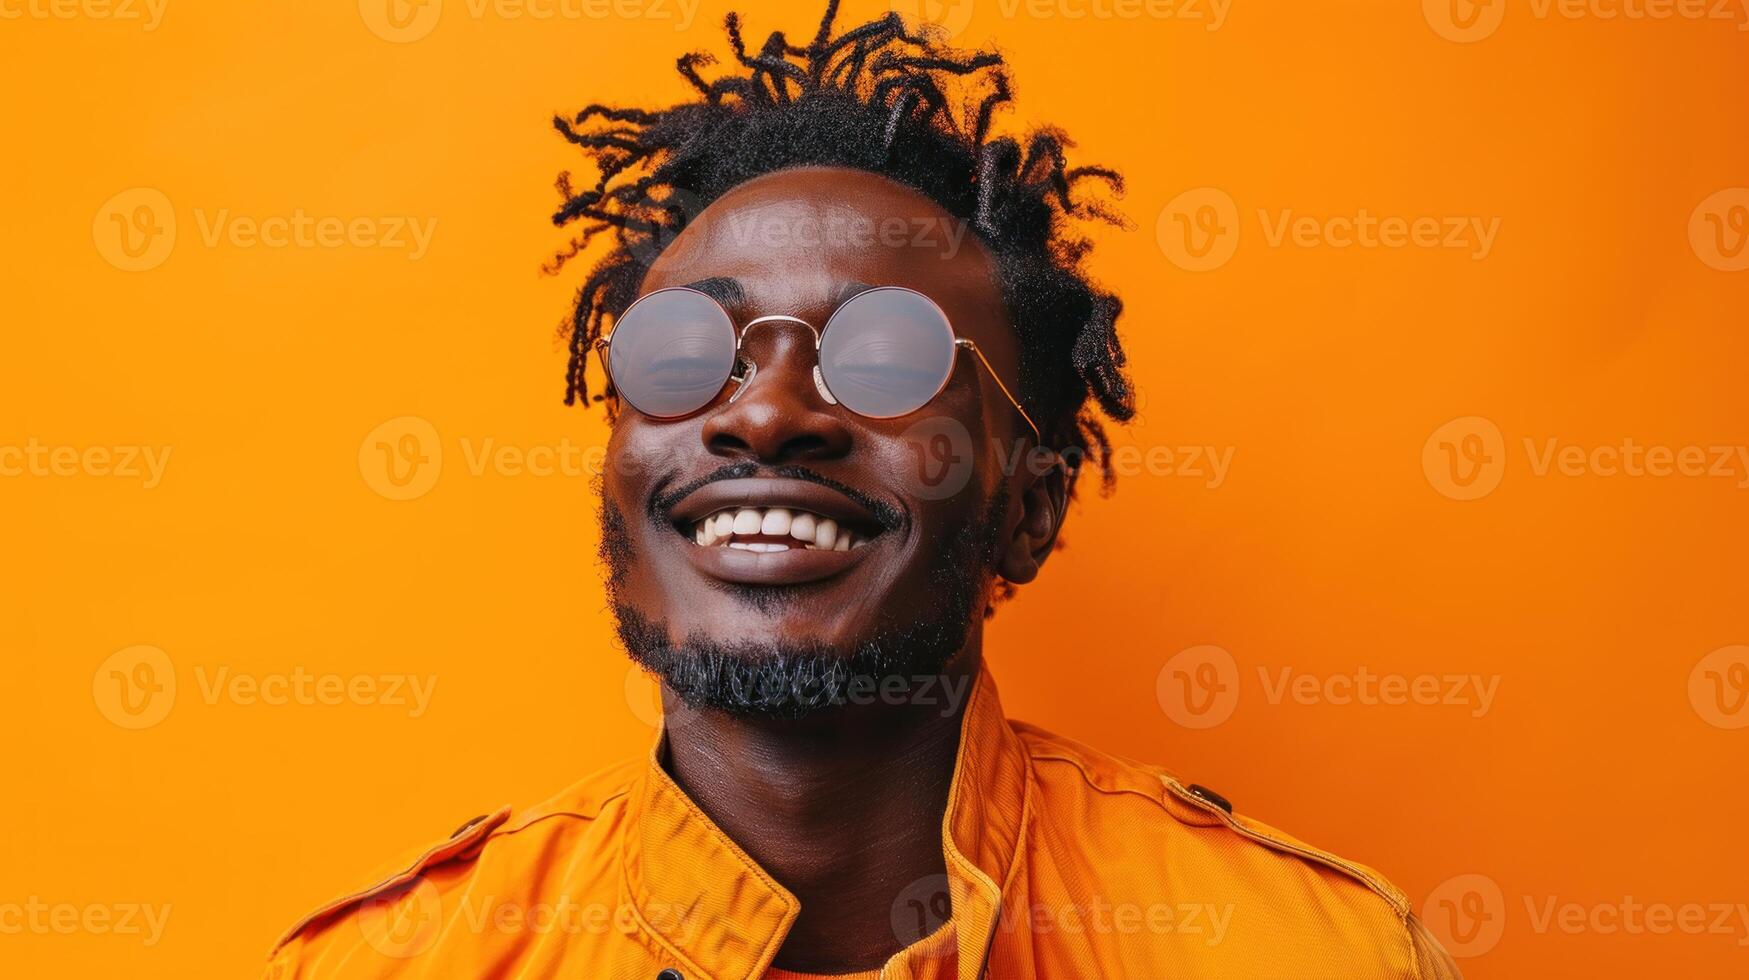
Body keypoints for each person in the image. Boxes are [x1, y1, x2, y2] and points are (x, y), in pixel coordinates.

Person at [264, 4, 1459, 977]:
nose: (765, 411)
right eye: (686, 351)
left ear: (1029, 508)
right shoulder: (402, 962)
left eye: (887, 355)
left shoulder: (1300, 953)